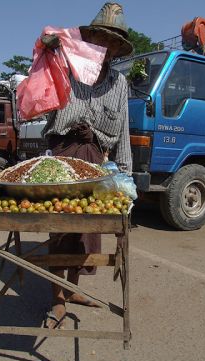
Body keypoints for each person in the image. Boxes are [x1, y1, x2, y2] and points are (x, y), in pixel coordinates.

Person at [41, 2, 133, 329]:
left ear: (118, 48)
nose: (105, 49)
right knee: (61, 227)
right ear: (90, 40)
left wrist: (126, 182)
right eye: (99, 40)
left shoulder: (120, 84)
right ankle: (57, 300)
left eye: (112, 43)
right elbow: (44, 52)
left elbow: (121, 134)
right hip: (63, 154)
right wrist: (53, 46)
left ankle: (73, 288)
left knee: (86, 233)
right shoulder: (67, 64)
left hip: (96, 162)